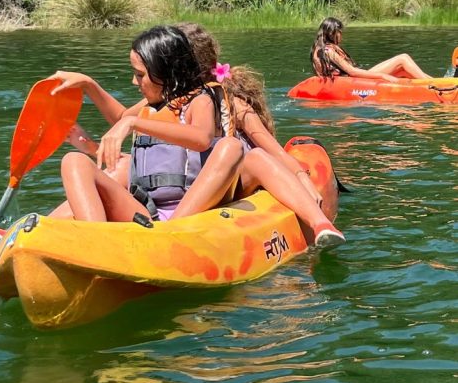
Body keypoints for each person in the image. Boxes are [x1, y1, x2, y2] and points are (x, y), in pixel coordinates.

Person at [47, 25, 243, 223]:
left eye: (140, 75)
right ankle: (71, 232)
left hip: (184, 214)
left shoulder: (200, 101)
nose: (134, 81)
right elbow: (121, 118)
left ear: (166, 74)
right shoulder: (153, 106)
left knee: (232, 147)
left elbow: (202, 139)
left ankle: (170, 230)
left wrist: (133, 123)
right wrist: (87, 84)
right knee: (73, 160)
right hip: (145, 211)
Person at [176, 23, 345, 248]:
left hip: (234, 185)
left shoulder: (235, 106)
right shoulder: (170, 108)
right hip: (195, 189)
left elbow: (274, 151)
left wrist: (303, 178)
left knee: (255, 156)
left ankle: (318, 222)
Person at [311, 18, 432, 81]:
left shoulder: (319, 49)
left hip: (352, 79)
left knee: (402, 71)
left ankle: (436, 82)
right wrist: (382, 76)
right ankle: (433, 85)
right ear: (331, 33)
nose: (341, 36)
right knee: (403, 59)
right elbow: (352, 72)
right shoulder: (329, 52)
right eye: (339, 32)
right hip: (355, 80)